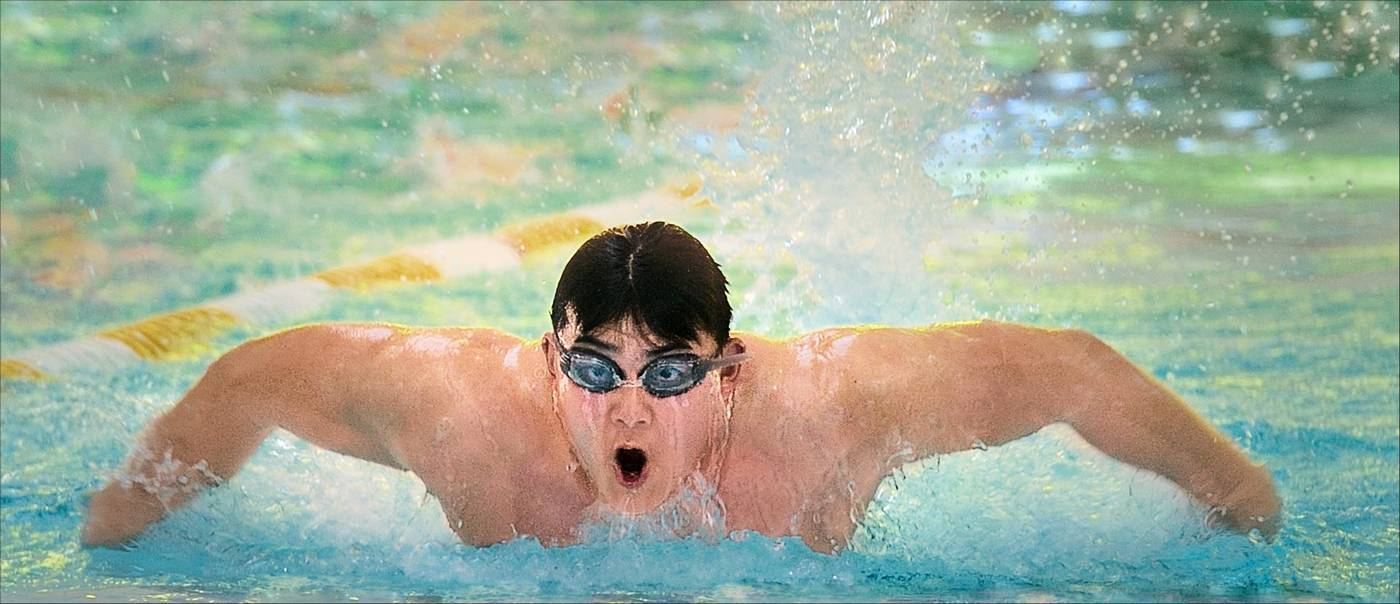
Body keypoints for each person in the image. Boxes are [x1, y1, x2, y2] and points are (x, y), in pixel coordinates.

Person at [81, 222, 1281, 552]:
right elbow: (250, 378)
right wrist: (116, 533)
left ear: (727, 370)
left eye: (666, 373)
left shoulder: (830, 411)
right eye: (592, 370)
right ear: (546, 362)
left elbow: (1069, 367)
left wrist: (1244, 508)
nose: (626, 409)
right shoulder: (457, 415)